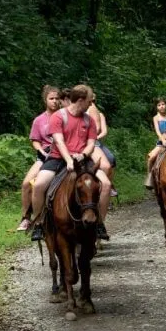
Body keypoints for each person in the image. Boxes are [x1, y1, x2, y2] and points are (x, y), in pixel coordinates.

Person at [30, 84, 112, 241]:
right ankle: (39, 223)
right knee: (39, 185)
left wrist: (82, 155)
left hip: (82, 159)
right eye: (89, 100)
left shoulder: (89, 120)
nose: (91, 104)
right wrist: (68, 160)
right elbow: (59, 141)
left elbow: (91, 143)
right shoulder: (59, 116)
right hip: (58, 157)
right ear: (80, 100)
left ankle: (99, 223)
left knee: (106, 185)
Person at [16, 85, 61, 232]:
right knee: (26, 184)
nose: (54, 101)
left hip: (62, 153)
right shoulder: (39, 120)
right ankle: (26, 217)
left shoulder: (65, 116)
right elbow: (35, 139)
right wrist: (40, 151)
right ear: (45, 100)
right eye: (51, 98)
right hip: (44, 154)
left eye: (57, 98)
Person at [87, 93, 118, 198]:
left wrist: (96, 137)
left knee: (111, 158)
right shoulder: (81, 112)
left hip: (96, 141)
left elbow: (103, 131)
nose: (92, 103)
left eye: (94, 101)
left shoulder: (100, 115)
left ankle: (109, 184)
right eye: (91, 101)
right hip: (87, 141)